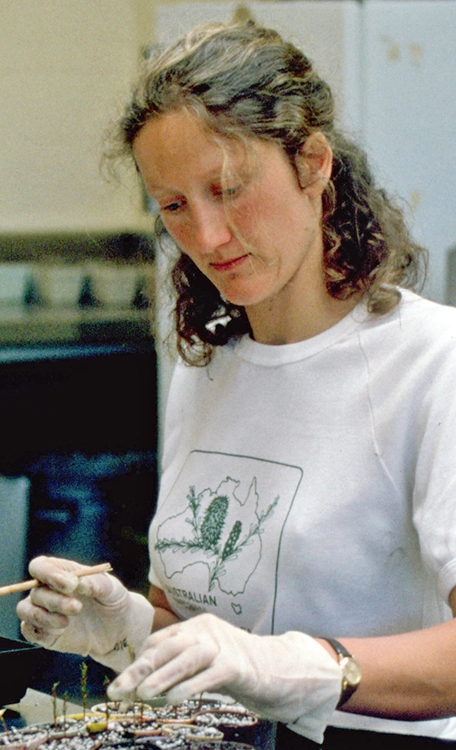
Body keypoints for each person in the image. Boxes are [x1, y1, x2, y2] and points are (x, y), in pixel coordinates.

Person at [16, 20, 456, 750]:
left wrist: (307, 666)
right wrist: (126, 629)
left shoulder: (434, 361)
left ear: (312, 164)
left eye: (228, 189)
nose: (208, 236)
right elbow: (206, 636)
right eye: (175, 206)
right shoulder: (208, 369)